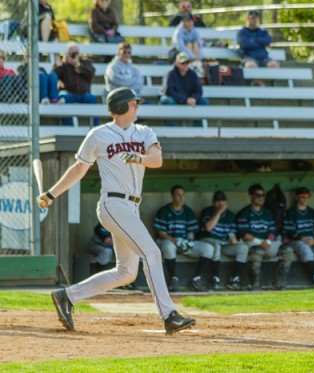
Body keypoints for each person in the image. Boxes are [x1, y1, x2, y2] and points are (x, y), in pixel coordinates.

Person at [37, 87, 195, 335]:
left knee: (126, 272)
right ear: (121, 107)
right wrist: (50, 194)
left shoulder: (144, 132)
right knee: (152, 253)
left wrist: (138, 157)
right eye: (133, 104)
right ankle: (169, 315)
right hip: (113, 204)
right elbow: (79, 169)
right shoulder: (98, 135)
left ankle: (67, 296)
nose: (137, 108)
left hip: (132, 207)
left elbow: (156, 159)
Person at [154, 185, 214, 292]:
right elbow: (161, 234)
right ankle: (173, 278)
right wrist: (176, 241)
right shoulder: (164, 211)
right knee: (168, 246)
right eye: (178, 195)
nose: (181, 198)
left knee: (208, 248)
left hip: (183, 243)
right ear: (172, 196)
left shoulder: (188, 211)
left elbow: (191, 232)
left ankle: (196, 278)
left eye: (183, 195)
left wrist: (189, 242)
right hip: (169, 242)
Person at [237, 184, 294, 290]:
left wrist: (268, 241)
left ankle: (279, 283)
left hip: (267, 243)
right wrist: (260, 242)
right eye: (257, 195)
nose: (261, 198)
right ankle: (254, 284)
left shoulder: (267, 212)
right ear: (250, 196)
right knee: (256, 251)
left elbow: (273, 231)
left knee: (288, 250)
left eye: (263, 195)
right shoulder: (244, 212)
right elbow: (243, 234)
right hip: (252, 243)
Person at [200, 191, 249, 291]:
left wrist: (232, 238)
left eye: (222, 201)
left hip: (224, 244)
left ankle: (234, 279)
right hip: (209, 241)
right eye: (217, 201)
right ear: (213, 202)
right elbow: (208, 228)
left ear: (226, 202)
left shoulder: (230, 215)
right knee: (216, 245)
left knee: (243, 248)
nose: (220, 204)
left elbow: (232, 232)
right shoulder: (207, 211)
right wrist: (219, 212)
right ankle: (216, 278)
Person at [284, 187, 314, 287]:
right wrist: (304, 239)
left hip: (313, 239)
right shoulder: (290, 213)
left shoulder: (312, 212)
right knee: (306, 250)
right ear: (296, 197)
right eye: (302, 196)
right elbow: (289, 232)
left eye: (307, 196)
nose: (305, 199)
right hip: (297, 239)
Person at [53, 42, 99, 126]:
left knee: (92, 98)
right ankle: (68, 127)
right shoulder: (64, 65)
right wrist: (63, 63)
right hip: (69, 94)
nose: (74, 55)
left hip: (84, 94)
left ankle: (95, 127)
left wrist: (78, 65)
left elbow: (91, 74)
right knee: (63, 99)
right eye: (71, 53)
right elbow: (53, 76)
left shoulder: (86, 62)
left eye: (76, 53)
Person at [159, 52, 208, 127]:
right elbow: (169, 91)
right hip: (174, 99)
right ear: (177, 63)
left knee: (203, 101)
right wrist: (185, 99)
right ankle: (171, 130)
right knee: (169, 101)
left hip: (186, 99)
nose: (185, 64)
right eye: (183, 62)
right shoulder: (170, 74)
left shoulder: (193, 74)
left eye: (187, 62)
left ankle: (198, 130)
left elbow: (199, 90)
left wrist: (194, 98)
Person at [237, 10, 279, 85]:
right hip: (249, 57)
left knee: (274, 65)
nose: (255, 20)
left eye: (256, 18)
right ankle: (261, 84)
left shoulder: (262, 31)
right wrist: (260, 42)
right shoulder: (242, 32)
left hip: (263, 57)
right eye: (252, 18)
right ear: (247, 19)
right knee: (251, 66)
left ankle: (259, 82)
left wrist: (253, 41)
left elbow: (268, 40)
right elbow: (245, 44)